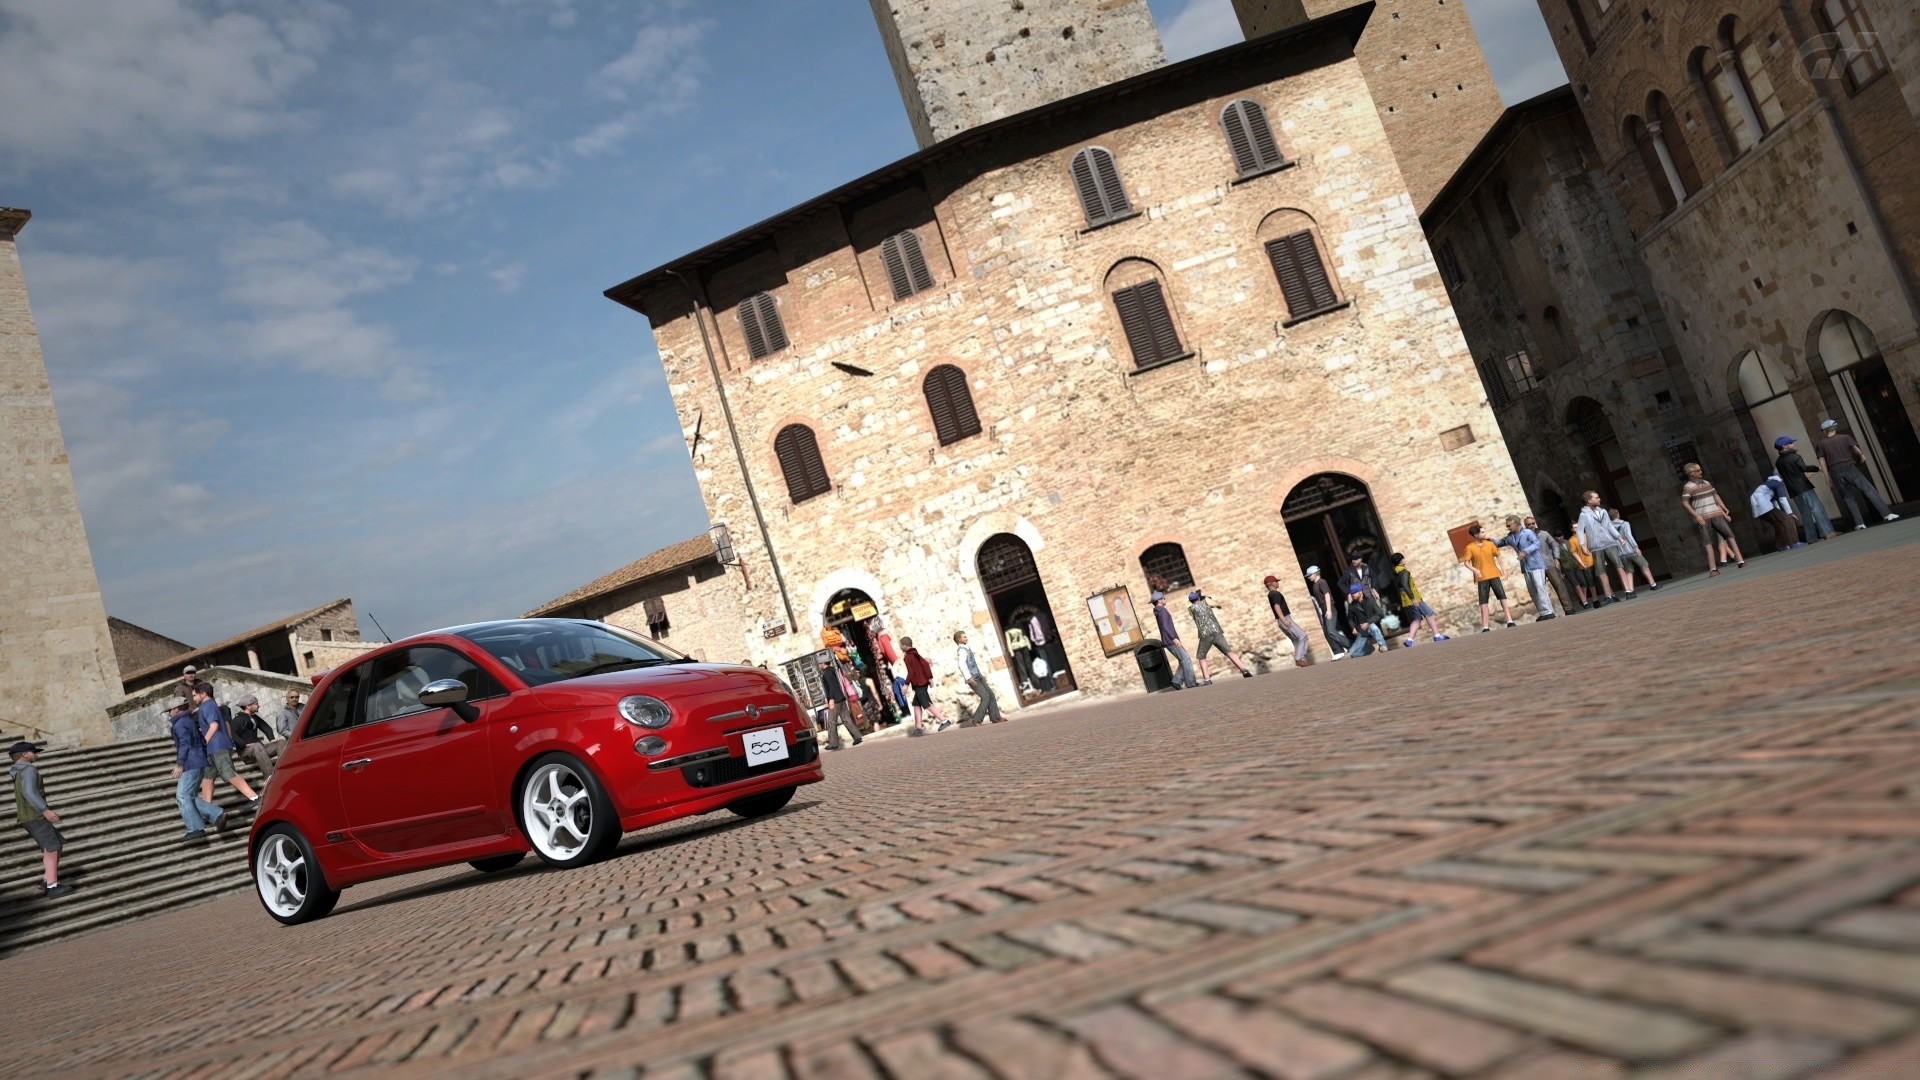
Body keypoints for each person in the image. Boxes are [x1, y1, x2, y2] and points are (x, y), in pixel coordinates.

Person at [11, 741, 73, 898]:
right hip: (35, 815)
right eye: (33, 752)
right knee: (52, 847)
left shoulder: (19, 771)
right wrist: (45, 811)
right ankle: (52, 886)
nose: (37, 754)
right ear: (25, 754)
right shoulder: (29, 770)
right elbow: (29, 792)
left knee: (55, 845)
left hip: (30, 816)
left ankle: (47, 880)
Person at [1817, 418, 1900, 530]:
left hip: (1835, 472)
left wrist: (1827, 477)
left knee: (1848, 497)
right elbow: (1856, 450)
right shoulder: (1845, 438)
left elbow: (1822, 461)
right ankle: (1887, 514)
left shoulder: (1821, 444)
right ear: (1834, 427)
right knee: (1869, 490)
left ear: (1824, 431)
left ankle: (1859, 524)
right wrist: (1861, 456)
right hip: (1850, 468)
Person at [167, 698, 227, 843]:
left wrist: (180, 764)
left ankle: (195, 828)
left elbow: (184, 744)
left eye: (169, 711)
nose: (169, 714)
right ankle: (217, 815)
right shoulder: (190, 721)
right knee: (190, 795)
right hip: (198, 761)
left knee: (182, 795)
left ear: (176, 709)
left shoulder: (180, 724)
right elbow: (202, 740)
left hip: (191, 763)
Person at [193, 684, 258, 808]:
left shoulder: (208, 707)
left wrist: (204, 742)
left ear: (203, 694)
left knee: (228, 773)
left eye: (195, 695)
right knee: (207, 777)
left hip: (218, 746)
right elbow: (226, 724)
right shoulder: (209, 706)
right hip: (214, 747)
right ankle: (208, 810)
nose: (193, 699)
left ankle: (254, 797)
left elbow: (214, 726)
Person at [1680, 462, 1744, 575]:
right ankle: (1713, 569)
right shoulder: (1688, 487)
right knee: (1707, 542)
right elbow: (1685, 503)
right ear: (1691, 473)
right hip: (1703, 517)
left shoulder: (1707, 482)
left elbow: (1715, 495)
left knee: (1729, 535)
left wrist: (1723, 507)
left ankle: (1740, 560)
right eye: (1698, 470)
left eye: (1700, 469)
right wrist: (1696, 515)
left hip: (1716, 513)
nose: (1701, 472)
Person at [1774, 435, 1834, 543]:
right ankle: (1828, 532)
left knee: (1805, 513)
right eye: (1791, 443)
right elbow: (1803, 468)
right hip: (1804, 487)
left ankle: (1811, 538)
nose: (1793, 444)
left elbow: (1788, 475)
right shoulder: (1795, 456)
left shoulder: (1778, 462)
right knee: (1817, 508)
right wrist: (1818, 468)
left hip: (1793, 490)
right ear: (1785, 446)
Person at [1577, 491, 1635, 602]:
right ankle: (1609, 595)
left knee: (1619, 566)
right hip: (1596, 546)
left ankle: (1628, 590)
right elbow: (1580, 531)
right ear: (1589, 500)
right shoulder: (1583, 515)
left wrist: (1619, 537)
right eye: (1596, 498)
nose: (1599, 499)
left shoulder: (1603, 511)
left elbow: (1609, 526)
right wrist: (1583, 546)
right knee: (1601, 571)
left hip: (1610, 543)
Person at [1187, 589, 1253, 681]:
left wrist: (1200, 598)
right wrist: (1206, 598)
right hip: (1216, 631)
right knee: (1229, 651)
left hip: (1204, 634)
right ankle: (1244, 670)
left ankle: (1207, 679)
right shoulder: (1206, 602)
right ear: (1198, 598)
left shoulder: (1191, 609)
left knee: (1201, 656)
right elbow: (1217, 604)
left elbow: (1192, 609)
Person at [1461, 524, 1518, 630]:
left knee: (1502, 597)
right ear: (1476, 535)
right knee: (1483, 602)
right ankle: (1485, 626)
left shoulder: (1490, 544)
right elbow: (1466, 563)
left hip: (1494, 574)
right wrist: (1476, 570)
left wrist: (1504, 572)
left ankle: (1510, 620)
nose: (1485, 533)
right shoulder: (1470, 548)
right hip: (1482, 577)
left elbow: (1499, 557)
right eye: (1482, 532)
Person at [1499, 516, 1555, 621]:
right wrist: (1488, 540)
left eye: (1509, 525)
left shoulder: (1528, 533)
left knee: (1540, 587)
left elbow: (1537, 543)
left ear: (1516, 524)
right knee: (1533, 591)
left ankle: (1549, 612)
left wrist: (1525, 551)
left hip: (1536, 564)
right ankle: (1543, 613)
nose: (1508, 528)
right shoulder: (1510, 537)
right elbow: (1499, 543)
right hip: (1526, 567)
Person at [1388, 552, 1447, 644]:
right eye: (1403, 558)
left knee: (1417, 620)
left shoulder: (1396, 572)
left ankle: (1409, 640)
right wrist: (1413, 598)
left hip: (1406, 600)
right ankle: (1437, 636)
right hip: (1413, 599)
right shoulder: (1404, 572)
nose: (1405, 559)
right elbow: (1405, 585)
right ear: (1400, 561)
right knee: (1429, 614)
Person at [900, 636, 951, 735]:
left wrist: (906, 685)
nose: (900, 647)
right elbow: (926, 665)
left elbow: (911, 671)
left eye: (901, 645)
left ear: (904, 645)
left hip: (919, 684)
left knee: (926, 703)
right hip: (923, 683)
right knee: (916, 704)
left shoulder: (908, 657)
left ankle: (944, 721)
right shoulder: (915, 654)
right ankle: (918, 728)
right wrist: (930, 679)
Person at [815, 652, 863, 749]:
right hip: (841, 698)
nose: (819, 665)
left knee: (831, 721)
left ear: (823, 663)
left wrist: (831, 699)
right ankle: (857, 736)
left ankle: (833, 743)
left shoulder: (826, 674)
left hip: (835, 700)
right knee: (846, 719)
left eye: (820, 664)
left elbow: (832, 687)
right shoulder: (833, 670)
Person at [953, 631, 1003, 724]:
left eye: (966, 636)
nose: (966, 638)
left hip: (978, 676)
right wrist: (969, 678)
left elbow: (973, 664)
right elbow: (962, 665)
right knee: (986, 697)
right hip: (972, 678)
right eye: (964, 637)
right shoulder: (962, 651)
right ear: (959, 639)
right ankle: (977, 720)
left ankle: (995, 717)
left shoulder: (967, 648)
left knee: (991, 694)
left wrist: (981, 675)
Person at [1150, 592, 1199, 688]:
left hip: (1168, 640)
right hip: (1170, 640)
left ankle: (1177, 681)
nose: (1165, 599)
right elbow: (1165, 626)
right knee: (1186, 659)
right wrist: (1174, 638)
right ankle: (1191, 683)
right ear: (1159, 600)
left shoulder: (1159, 610)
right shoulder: (1162, 611)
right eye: (1164, 598)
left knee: (1183, 660)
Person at [1262, 574, 1312, 667]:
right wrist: (1284, 620)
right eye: (1276, 581)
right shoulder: (1276, 594)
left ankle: (1302, 660)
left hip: (1280, 620)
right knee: (1303, 636)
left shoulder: (1270, 595)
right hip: (1285, 618)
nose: (1278, 583)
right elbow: (1277, 607)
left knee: (1296, 640)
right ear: (1272, 583)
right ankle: (1299, 658)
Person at [1534, 522, 1580, 616]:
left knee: (1559, 585)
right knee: (1539, 589)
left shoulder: (1544, 534)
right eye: (1528, 524)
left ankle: (1568, 609)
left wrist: (1556, 558)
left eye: (1532, 523)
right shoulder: (1525, 536)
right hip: (1536, 566)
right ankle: (1547, 613)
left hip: (1549, 563)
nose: (1531, 525)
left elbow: (1554, 544)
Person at [1305, 566, 1351, 660]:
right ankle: (1338, 651)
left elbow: (1327, 595)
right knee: (1327, 632)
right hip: (1323, 609)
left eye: (1309, 575)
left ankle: (1350, 645)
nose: (1308, 577)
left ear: (1315, 574)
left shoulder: (1322, 582)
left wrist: (1329, 610)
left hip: (1329, 608)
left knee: (1331, 631)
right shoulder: (1314, 585)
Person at [1608, 509, 1660, 591]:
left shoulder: (1609, 528)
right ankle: (1652, 584)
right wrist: (1636, 547)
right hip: (1631, 550)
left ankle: (1630, 590)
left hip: (1621, 553)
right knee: (1644, 565)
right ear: (1617, 514)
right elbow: (1629, 536)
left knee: (1629, 571)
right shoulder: (1624, 524)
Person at [230, 694, 280, 778]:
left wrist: (272, 739)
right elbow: (232, 734)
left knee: (281, 743)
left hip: (259, 750)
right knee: (257, 745)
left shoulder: (254, 717)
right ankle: (270, 777)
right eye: (256, 704)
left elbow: (266, 728)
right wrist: (244, 744)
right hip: (246, 753)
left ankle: (286, 768)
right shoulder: (237, 719)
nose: (258, 706)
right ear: (248, 706)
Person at [1750, 474, 1801, 552]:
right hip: (1763, 504)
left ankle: (1781, 545)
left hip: (1758, 507)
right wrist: (1790, 513)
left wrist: (1781, 512)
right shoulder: (1778, 483)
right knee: (1788, 519)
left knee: (1778, 523)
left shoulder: (1769, 483)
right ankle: (1793, 542)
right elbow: (1782, 499)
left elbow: (1774, 502)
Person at [1343, 584, 1391, 657]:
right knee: (1353, 654)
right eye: (1351, 593)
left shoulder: (1370, 600)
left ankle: (1383, 646)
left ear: (1360, 592)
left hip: (1372, 626)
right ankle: (1370, 649)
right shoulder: (1351, 606)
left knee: (1372, 627)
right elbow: (1350, 619)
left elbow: (1380, 614)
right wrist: (1353, 628)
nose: (1352, 595)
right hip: (1362, 631)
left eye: (1354, 593)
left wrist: (1368, 623)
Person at [1004, 623, 1033, 695]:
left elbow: (1008, 641)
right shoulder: (1019, 627)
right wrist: (1029, 646)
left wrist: (1011, 652)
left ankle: (1026, 685)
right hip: (1023, 645)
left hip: (1016, 648)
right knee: (1028, 665)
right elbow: (1025, 636)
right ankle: (1034, 683)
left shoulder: (1008, 631)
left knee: (1021, 667)